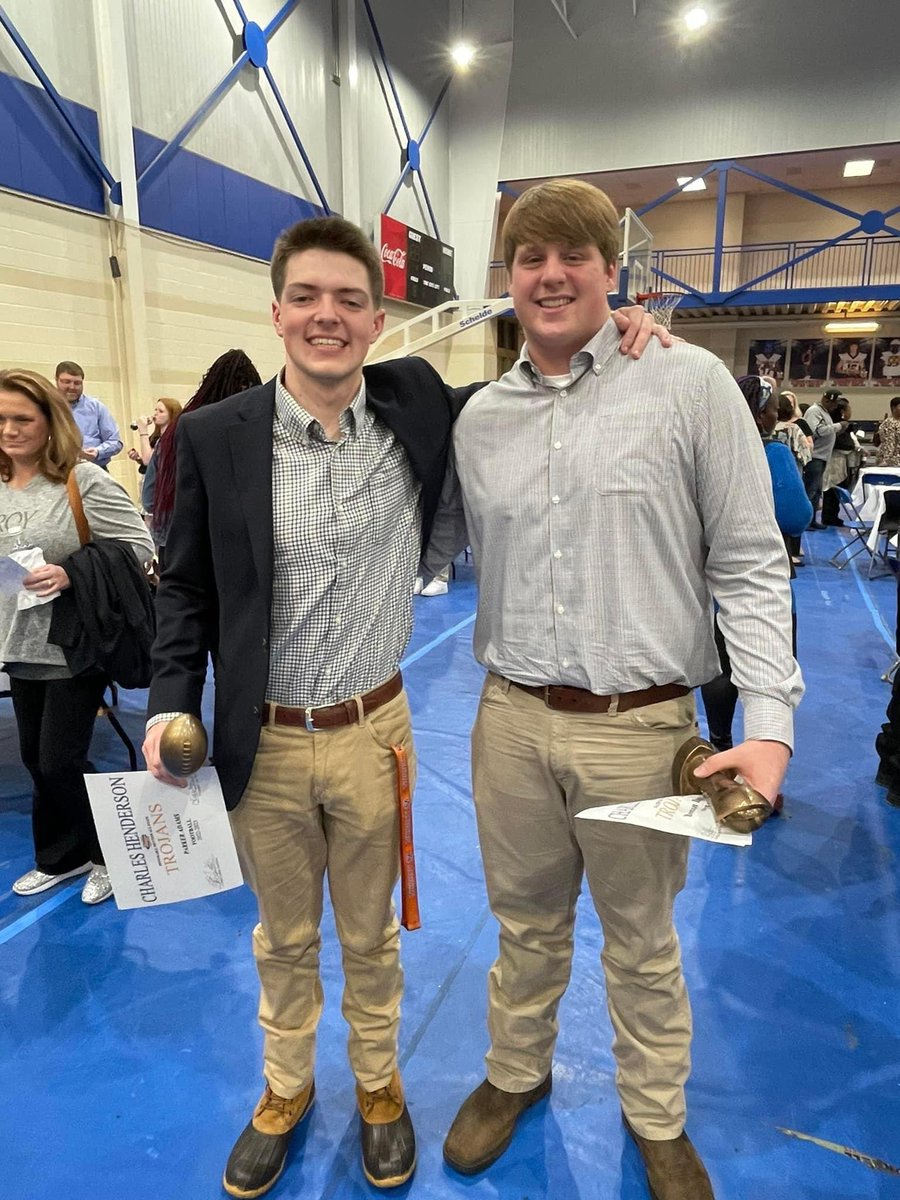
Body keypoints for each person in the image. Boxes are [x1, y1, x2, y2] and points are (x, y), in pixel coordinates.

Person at [140, 212, 675, 1199]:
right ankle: (285, 1087)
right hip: (261, 739)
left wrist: (624, 332)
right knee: (283, 938)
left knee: (370, 934)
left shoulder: (419, 404)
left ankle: (379, 1086)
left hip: (375, 730)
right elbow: (184, 591)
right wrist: (168, 705)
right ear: (277, 311)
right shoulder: (215, 438)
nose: (327, 316)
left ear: (380, 319)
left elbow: (537, 385)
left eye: (349, 298)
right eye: (306, 297)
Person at [424, 179, 802, 1200]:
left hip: (640, 726)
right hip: (507, 720)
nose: (548, 276)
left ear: (610, 271)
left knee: (641, 941)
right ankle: (516, 1074)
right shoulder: (479, 419)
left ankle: (658, 1117)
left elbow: (750, 562)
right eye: (528, 260)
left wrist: (768, 723)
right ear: (508, 280)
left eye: (571, 258)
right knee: (526, 927)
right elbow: (428, 544)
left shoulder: (687, 386)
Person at [0, 370, 153, 905]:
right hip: (17, 644)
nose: (10, 429)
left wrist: (72, 573)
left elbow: (139, 546)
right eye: (1, 419)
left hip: (73, 642)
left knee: (63, 759)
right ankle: (59, 858)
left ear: (50, 422)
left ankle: (109, 855)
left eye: (23, 418)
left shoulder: (80, 482)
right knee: (37, 761)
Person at [700, 375, 811, 778]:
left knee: (719, 665)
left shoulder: (706, 448)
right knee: (761, 665)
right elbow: (797, 517)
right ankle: (759, 758)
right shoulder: (772, 453)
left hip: (705, 583)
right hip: (757, 578)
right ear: (763, 415)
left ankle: (718, 745)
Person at [149, 351, 261, 569]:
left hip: (172, 542)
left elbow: (149, 494)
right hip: (216, 548)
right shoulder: (231, 430)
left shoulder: (178, 428)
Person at [54, 360, 123, 468]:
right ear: (57, 380)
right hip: (57, 472)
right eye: (66, 382)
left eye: (77, 383)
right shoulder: (46, 408)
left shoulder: (96, 407)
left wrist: (98, 452)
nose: (72, 387)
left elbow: (115, 441)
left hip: (93, 470)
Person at [127, 398, 182, 516]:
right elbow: (151, 462)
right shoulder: (157, 437)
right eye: (155, 409)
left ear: (172, 415)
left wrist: (143, 431)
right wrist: (138, 459)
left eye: (161, 411)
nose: (155, 413)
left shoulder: (172, 439)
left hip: (162, 495)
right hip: (149, 490)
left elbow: (148, 460)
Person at [802, 389, 845, 528]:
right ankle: (805, 521)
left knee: (816, 491)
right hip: (815, 456)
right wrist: (838, 426)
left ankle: (811, 519)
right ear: (827, 400)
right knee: (811, 490)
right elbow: (816, 431)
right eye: (834, 404)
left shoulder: (824, 413)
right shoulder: (814, 411)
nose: (835, 407)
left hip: (821, 457)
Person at [875, 396, 900, 467]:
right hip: (892, 461)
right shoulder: (889, 423)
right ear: (893, 408)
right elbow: (889, 443)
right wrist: (886, 461)